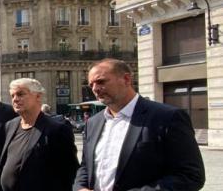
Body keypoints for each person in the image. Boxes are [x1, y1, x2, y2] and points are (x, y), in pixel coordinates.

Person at [74, 59, 205, 191]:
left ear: (126, 79)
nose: (95, 89)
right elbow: (86, 166)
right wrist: (80, 187)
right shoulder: (93, 122)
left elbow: (191, 176)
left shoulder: (167, 117)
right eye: (91, 85)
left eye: (101, 81)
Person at [0, 78, 78, 191]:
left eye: (20, 94)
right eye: (12, 96)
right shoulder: (10, 126)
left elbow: (69, 173)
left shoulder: (57, 129)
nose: (15, 99)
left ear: (38, 96)